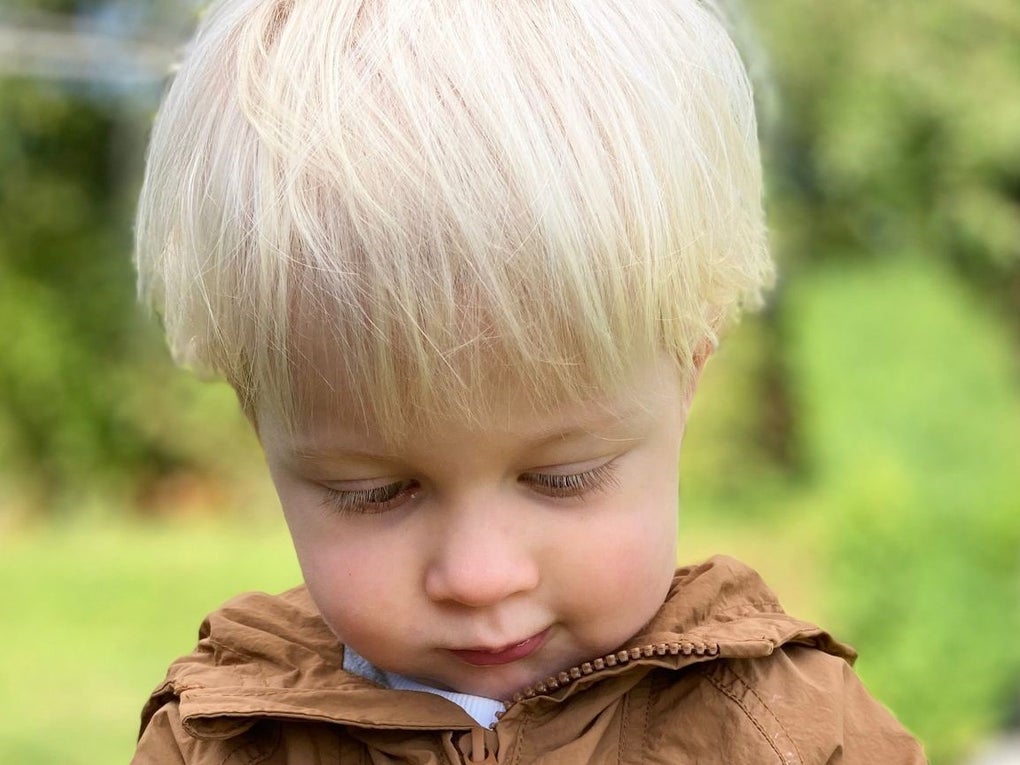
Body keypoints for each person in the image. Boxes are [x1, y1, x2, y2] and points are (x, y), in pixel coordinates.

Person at [130, 0, 926, 762]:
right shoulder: (219, 741)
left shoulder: (792, 732)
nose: (480, 577)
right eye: (373, 491)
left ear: (688, 370)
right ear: (258, 416)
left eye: (562, 477)